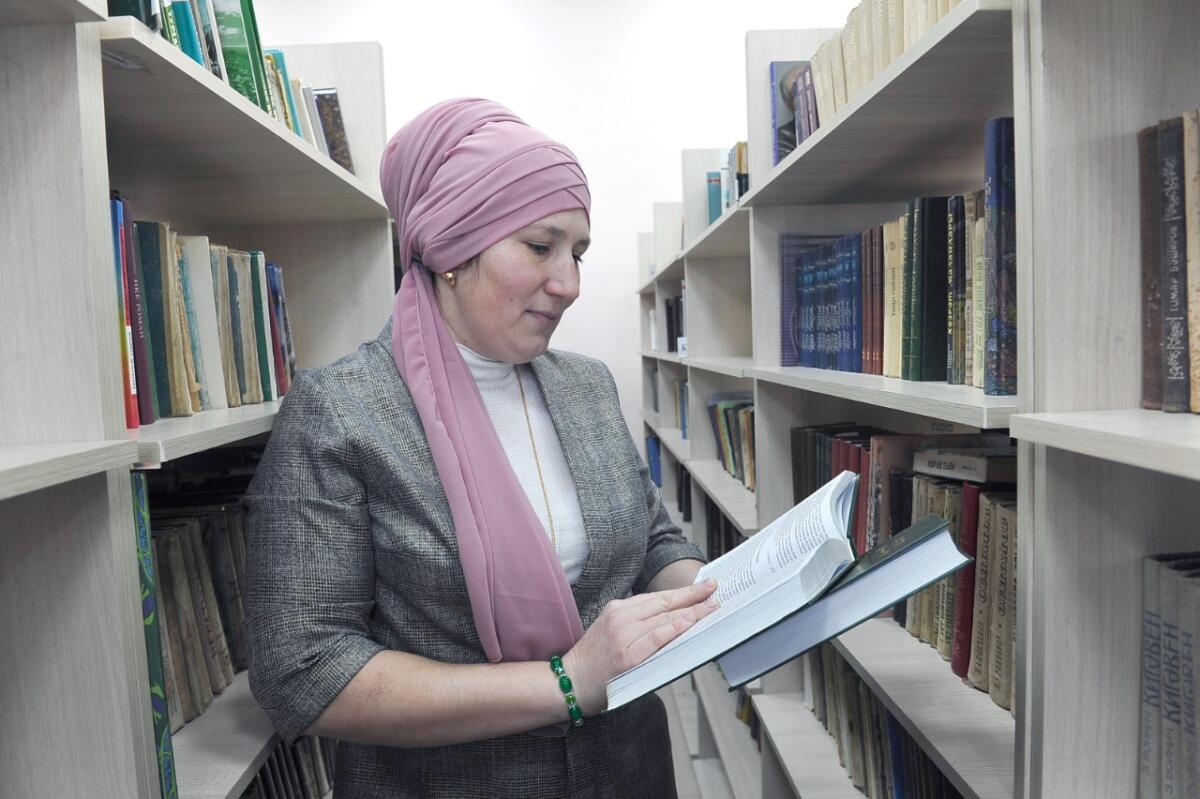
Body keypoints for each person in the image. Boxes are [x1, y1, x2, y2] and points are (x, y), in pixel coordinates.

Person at [243, 98, 719, 798]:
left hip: (628, 772)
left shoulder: (587, 387)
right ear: (449, 250)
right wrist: (567, 682)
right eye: (540, 246)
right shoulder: (340, 412)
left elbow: (650, 540)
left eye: (579, 253)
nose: (570, 284)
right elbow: (303, 671)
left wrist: (722, 596)